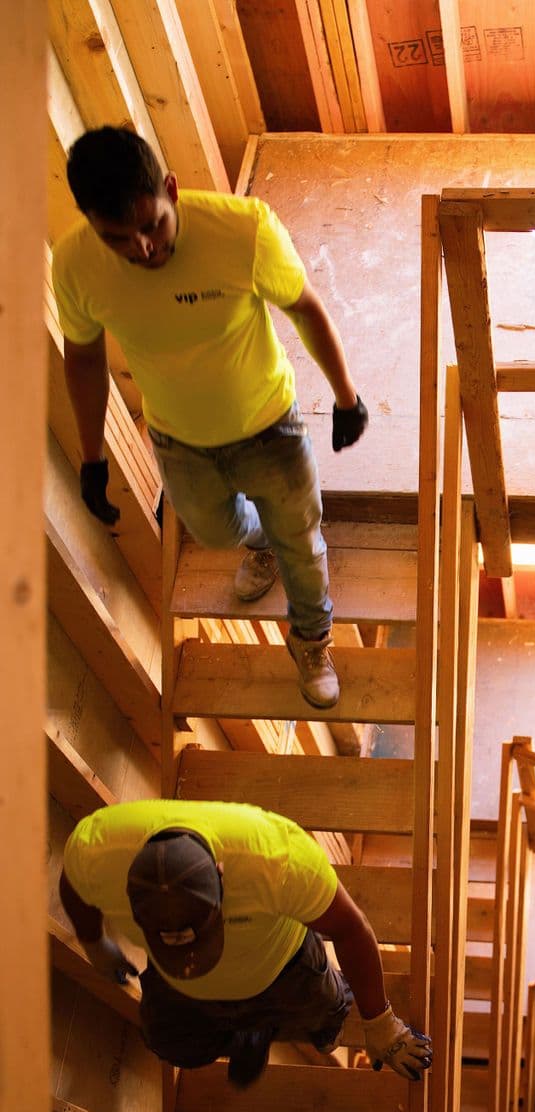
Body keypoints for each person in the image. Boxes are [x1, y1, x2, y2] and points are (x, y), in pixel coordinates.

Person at [52, 126, 367, 709]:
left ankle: (311, 639)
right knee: (216, 533)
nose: (143, 249)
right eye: (119, 238)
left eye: (153, 226)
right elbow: (85, 357)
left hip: (270, 427)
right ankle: (263, 541)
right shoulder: (75, 265)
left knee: (302, 542)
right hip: (180, 441)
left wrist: (346, 396)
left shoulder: (243, 229)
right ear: (91, 224)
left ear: (170, 189)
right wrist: (93, 459)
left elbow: (305, 308)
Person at [59, 800, 433, 1087]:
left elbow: (352, 929)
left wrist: (381, 1024)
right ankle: (250, 1035)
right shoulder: (95, 852)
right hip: (182, 986)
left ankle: (268, 1025)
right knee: (168, 1043)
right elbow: (74, 888)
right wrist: (94, 942)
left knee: (328, 1016)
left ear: (222, 874)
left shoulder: (278, 859)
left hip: (283, 965)